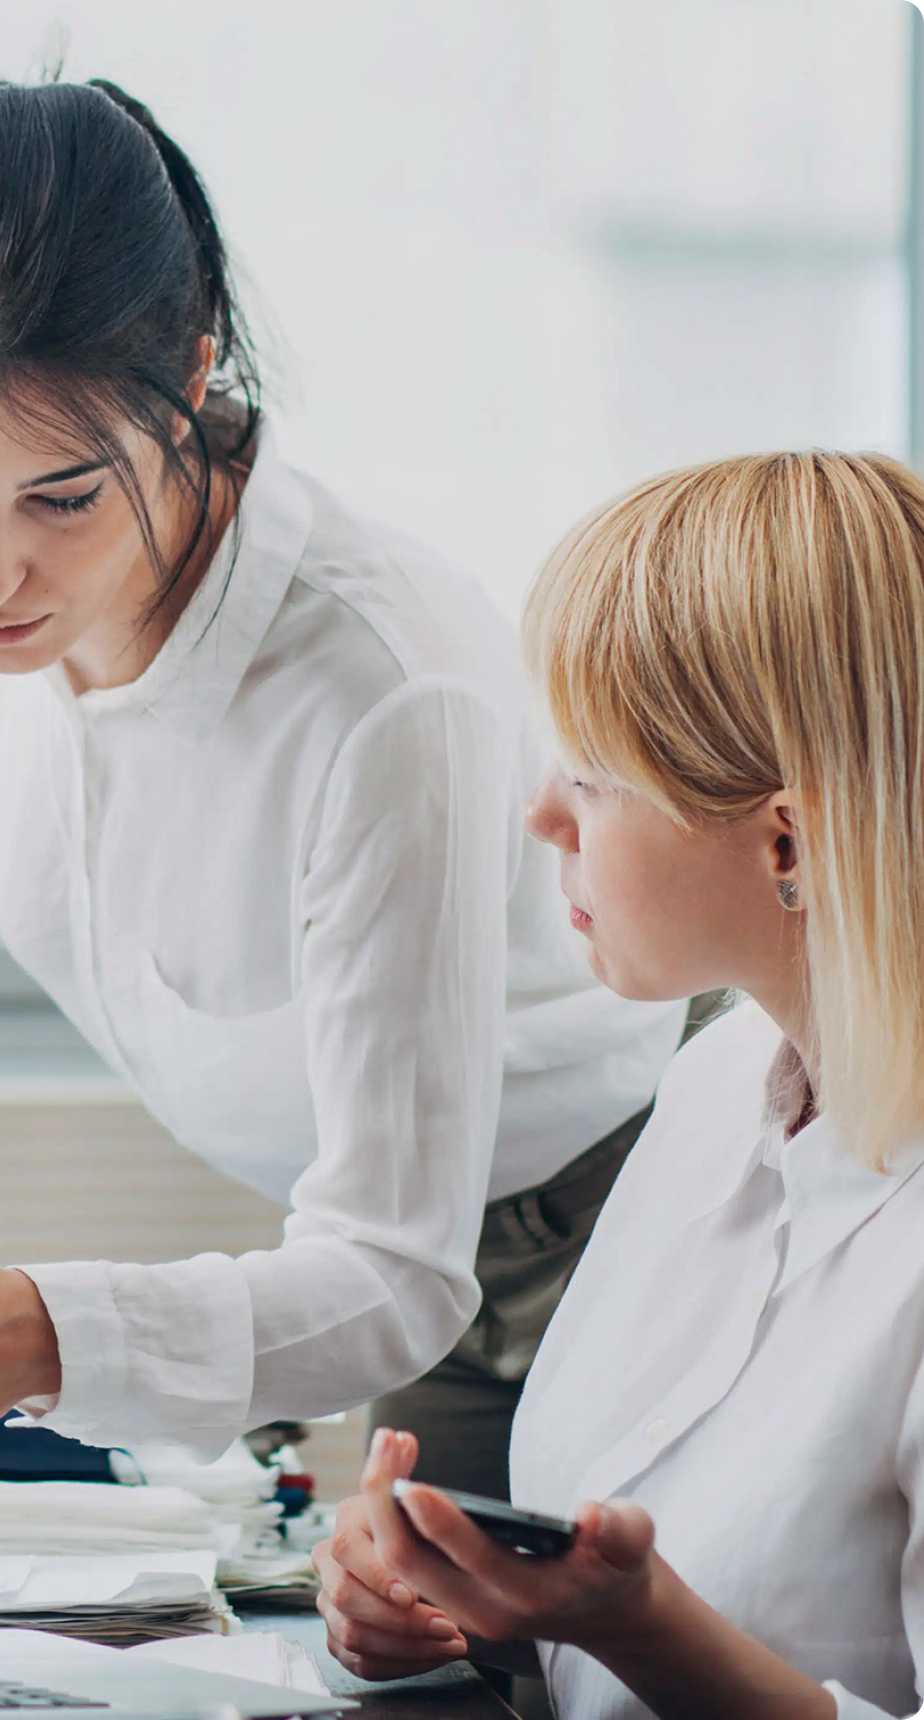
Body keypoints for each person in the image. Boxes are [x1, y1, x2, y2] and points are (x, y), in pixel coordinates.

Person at [0, 78, 682, 1471]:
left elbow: (394, 1269)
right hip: (410, 1250)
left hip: (587, 1241)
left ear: (190, 380)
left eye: (62, 495)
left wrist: (46, 1335)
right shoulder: (70, 584)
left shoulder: (382, 698)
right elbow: (128, 798)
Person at [314, 450, 924, 1720]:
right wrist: (455, 1604)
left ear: (789, 842)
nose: (543, 813)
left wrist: (646, 1631)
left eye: (592, 772)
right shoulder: (714, 1083)